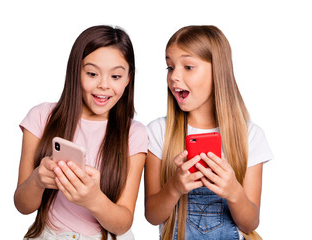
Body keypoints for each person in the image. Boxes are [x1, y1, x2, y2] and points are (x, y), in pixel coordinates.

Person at [14, 25, 148, 240]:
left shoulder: (134, 133)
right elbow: (23, 205)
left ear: (128, 78)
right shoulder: (41, 116)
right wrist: (38, 180)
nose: (104, 85)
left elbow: (123, 223)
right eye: (92, 74)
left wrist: (93, 199)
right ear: (76, 71)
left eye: (115, 76)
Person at [145, 25, 273, 240]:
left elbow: (250, 222)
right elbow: (153, 216)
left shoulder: (250, 136)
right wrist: (174, 188)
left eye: (188, 67)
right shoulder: (159, 132)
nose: (174, 76)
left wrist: (233, 191)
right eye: (170, 67)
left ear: (218, 70)